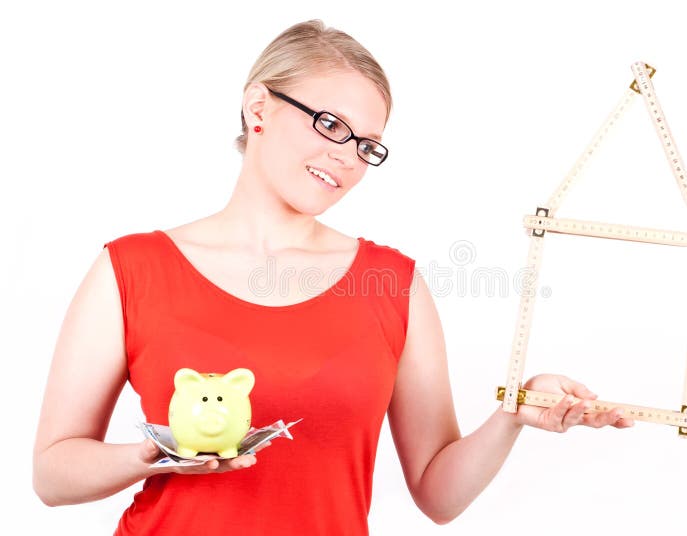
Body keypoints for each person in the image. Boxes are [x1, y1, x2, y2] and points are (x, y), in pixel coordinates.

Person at [32, 19, 633, 535]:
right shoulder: (131, 268)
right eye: (330, 124)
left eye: (368, 145)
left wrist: (513, 413)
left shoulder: (394, 287)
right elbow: (53, 475)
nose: (347, 158)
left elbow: (437, 493)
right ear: (258, 107)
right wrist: (153, 455)